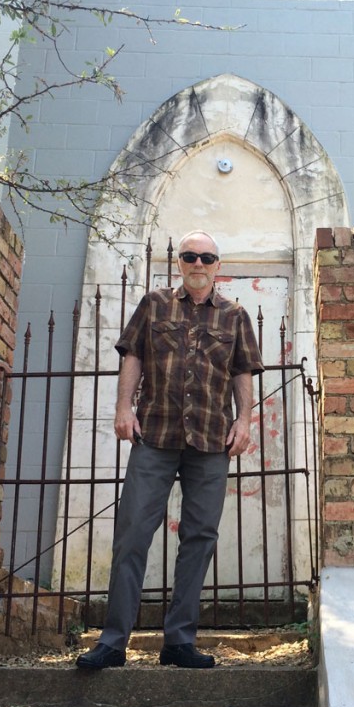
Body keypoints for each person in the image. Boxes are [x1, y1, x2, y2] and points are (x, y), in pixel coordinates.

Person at [76, 230, 264, 670]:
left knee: (199, 538)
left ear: (219, 265)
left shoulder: (234, 316)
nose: (198, 263)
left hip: (210, 440)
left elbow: (242, 372)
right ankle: (113, 642)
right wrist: (123, 407)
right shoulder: (154, 304)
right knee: (132, 535)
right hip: (155, 437)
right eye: (189, 256)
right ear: (179, 262)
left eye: (207, 257)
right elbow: (133, 356)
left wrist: (244, 420)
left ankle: (179, 641)